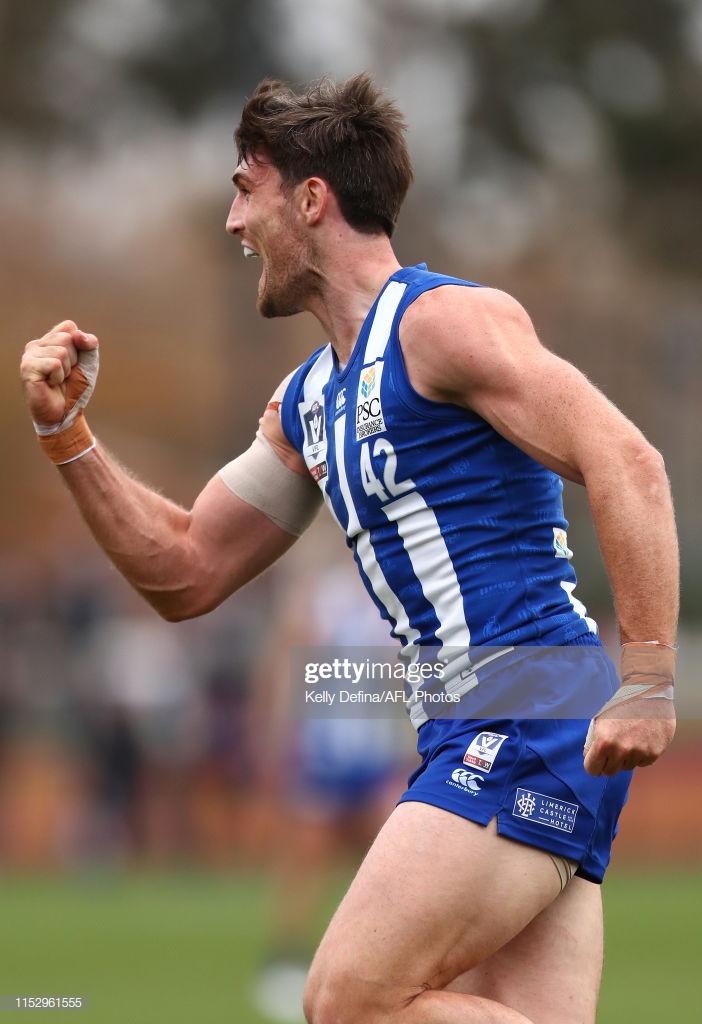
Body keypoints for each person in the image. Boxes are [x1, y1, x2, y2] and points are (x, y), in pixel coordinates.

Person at [20, 74, 678, 1024]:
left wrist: (651, 677)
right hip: (477, 723)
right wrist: (68, 438)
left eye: (247, 187)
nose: (232, 217)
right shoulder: (306, 405)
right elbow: (187, 569)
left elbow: (629, 460)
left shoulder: (443, 322)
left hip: (528, 705)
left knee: (347, 1003)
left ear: (312, 199)